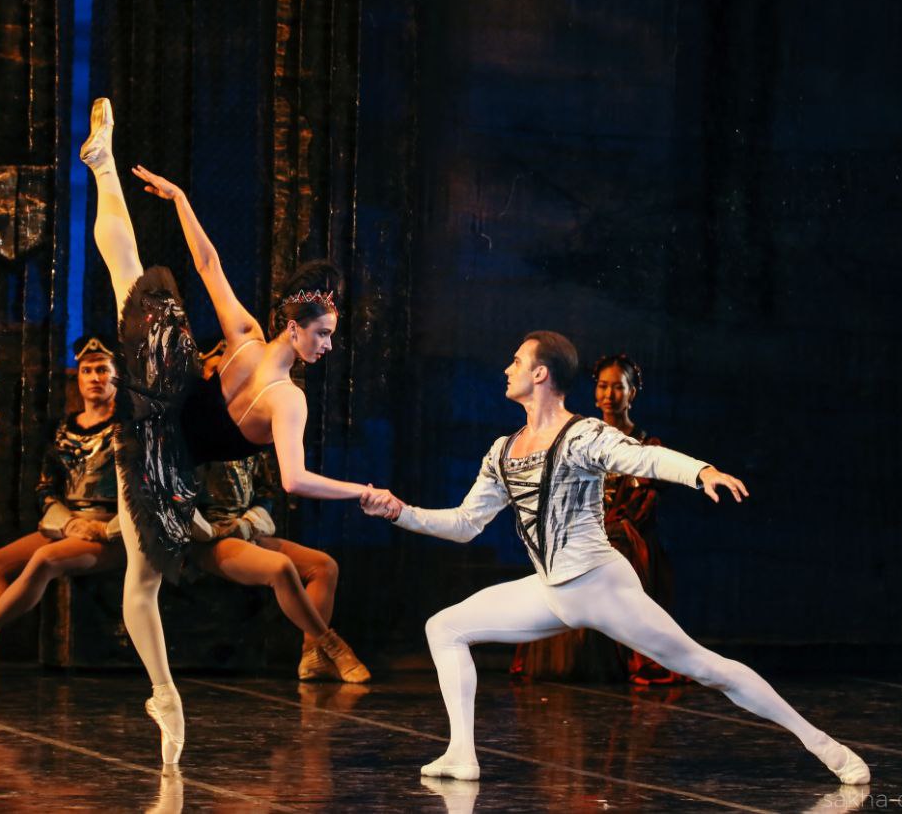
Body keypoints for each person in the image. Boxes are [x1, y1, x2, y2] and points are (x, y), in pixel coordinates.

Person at [361, 331, 870, 785]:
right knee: (444, 627)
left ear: (541, 374)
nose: (506, 368)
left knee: (707, 668)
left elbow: (643, 456)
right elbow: (466, 524)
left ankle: (824, 746)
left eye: (516, 361)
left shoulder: (583, 434)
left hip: (599, 585)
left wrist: (701, 472)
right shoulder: (502, 449)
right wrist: (401, 513)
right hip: (551, 590)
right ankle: (462, 754)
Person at [77, 98, 390, 764]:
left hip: (161, 400)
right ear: (296, 327)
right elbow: (296, 481)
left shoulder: (246, 335)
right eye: (324, 335)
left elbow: (210, 264)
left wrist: (182, 200)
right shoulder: (287, 399)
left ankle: (103, 168)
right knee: (142, 580)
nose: (328, 346)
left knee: (129, 276)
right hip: (164, 446)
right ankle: (165, 698)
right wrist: (363, 490)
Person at [0, 335, 126, 675]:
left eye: (103, 370)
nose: (95, 378)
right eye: (87, 370)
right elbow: (45, 487)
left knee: (45, 558)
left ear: (117, 376)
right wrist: (68, 523)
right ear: (77, 377)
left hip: (114, 531)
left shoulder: (131, 429)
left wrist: (108, 528)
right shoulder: (63, 429)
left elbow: (147, 490)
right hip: (70, 524)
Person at [189, 341, 367, 683]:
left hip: (242, 530)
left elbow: (268, 490)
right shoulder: (193, 426)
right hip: (204, 537)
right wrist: (211, 530)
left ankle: (312, 656)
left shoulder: (247, 424)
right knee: (280, 567)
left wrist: (248, 522)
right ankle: (332, 644)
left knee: (323, 566)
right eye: (220, 370)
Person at [511, 353, 681, 684]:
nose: (608, 395)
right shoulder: (581, 436)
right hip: (583, 531)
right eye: (603, 386)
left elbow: (639, 508)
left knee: (609, 557)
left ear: (631, 393)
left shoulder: (645, 445)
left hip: (625, 534)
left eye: (617, 387)